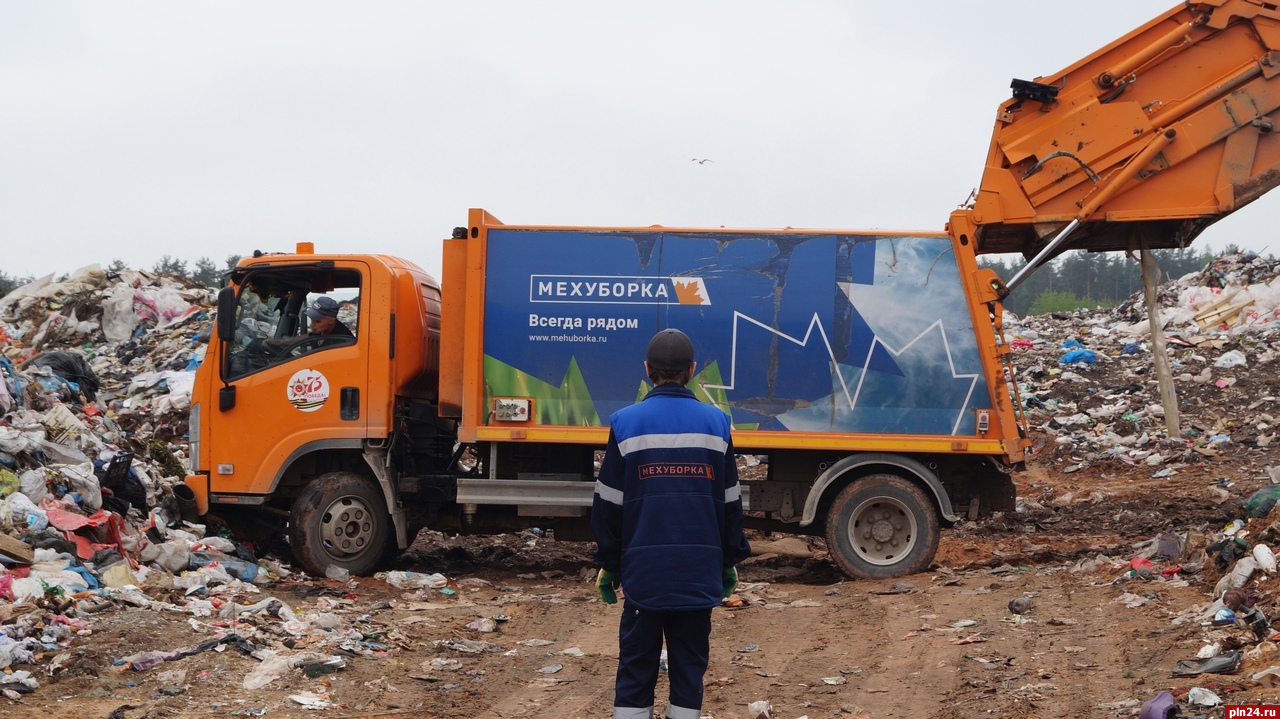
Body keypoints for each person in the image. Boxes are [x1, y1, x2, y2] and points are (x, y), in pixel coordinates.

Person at [591, 328, 751, 719]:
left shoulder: (626, 424)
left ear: (648, 371)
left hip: (643, 575)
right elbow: (730, 502)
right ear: (692, 370)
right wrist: (729, 559)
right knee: (688, 669)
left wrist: (610, 563)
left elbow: (609, 503)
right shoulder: (716, 423)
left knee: (635, 666)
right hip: (698, 573)